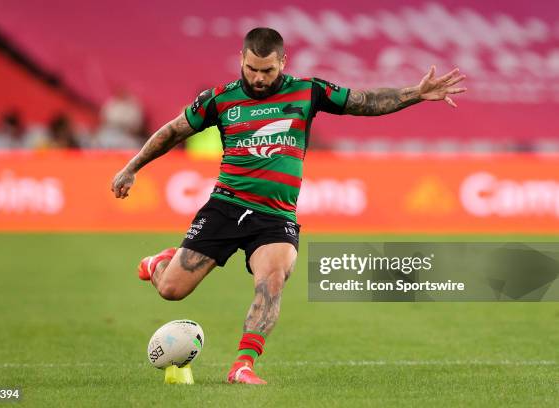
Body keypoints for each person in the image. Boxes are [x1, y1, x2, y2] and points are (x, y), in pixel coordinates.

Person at [111, 27, 466, 384]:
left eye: (267, 70)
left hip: (275, 216)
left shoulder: (308, 91)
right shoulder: (220, 99)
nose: (259, 78)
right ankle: (159, 263)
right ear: (241, 60)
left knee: (273, 278)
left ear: (283, 62)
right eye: (252, 68)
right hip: (226, 206)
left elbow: (365, 102)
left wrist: (416, 94)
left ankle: (243, 365)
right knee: (172, 290)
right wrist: (132, 168)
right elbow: (173, 131)